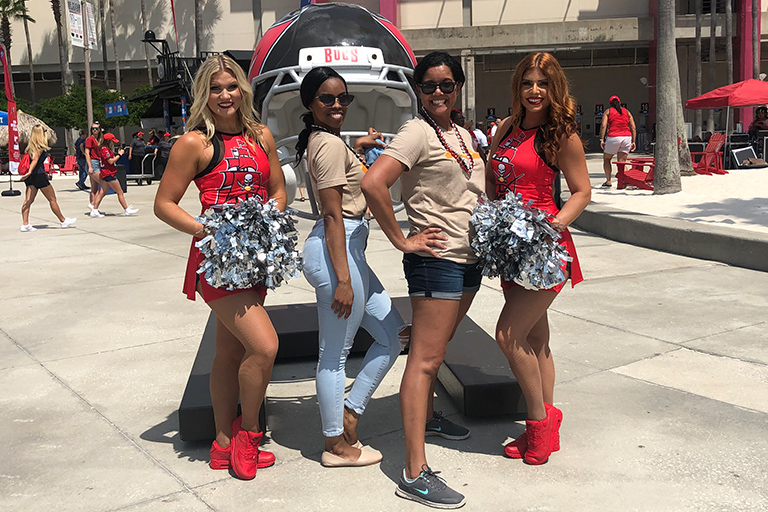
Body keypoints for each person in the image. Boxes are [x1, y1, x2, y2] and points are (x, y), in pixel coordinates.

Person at [154, 54, 286, 480]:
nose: (225, 95)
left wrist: (268, 219)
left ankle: (222, 444)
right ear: (203, 95)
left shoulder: (261, 136)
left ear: (243, 90)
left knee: (229, 354)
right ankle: (248, 434)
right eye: (215, 89)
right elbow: (164, 204)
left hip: (255, 261)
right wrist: (207, 231)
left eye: (231, 86)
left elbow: (278, 189)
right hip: (217, 262)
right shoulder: (194, 143)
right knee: (265, 347)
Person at [362, 51, 484, 509]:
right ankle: (415, 472)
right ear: (418, 88)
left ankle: (429, 417)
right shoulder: (415, 131)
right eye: (429, 85)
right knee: (426, 361)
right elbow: (376, 183)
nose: (437, 92)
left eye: (446, 85)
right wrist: (401, 240)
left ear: (458, 88)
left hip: (468, 257)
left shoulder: (461, 132)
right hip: (438, 258)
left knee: (436, 350)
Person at [295, 66, 405, 468]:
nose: (338, 104)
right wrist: (343, 278)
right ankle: (335, 445)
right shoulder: (324, 144)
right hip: (334, 253)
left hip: (348, 251)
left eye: (344, 97)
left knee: (393, 336)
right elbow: (332, 215)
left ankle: (350, 414)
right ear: (310, 103)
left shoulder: (331, 140)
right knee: (334, 357)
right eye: (328, 98)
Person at [486, 52, 590, 465]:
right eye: (528, 82)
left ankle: (537, 426)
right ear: (518, 86)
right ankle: (550, 418)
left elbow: (582, 191)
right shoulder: (506, 128)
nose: (534, 91)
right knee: (536, 341)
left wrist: (552, 225)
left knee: (508, 335)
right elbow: (494, 177)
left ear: (554, 88)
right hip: (511, 247)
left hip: (545, 250)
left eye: (543, 84)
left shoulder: (562, 133)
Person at [19, 125, 77, 231]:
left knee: (28, 200)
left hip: (31, 177)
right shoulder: (39, 147)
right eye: (44, 131)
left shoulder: (30, 146)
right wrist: (30, 171)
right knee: (52, 199)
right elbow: (35, 160)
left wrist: (28, 173)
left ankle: (25, 224)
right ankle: (63, 220)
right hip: (39, 175)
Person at [89, 133, 139, 218]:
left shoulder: (106, 149)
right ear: (109, 141)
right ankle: (126, 209)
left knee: (102, 192)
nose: (113, 143)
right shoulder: (105, 150)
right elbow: (110, 161)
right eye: (112, 141)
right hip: (109, 174)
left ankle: (94, 209)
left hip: (106, 173)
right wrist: (119, 155)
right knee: (120, 192)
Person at [599, 95, 636, 188]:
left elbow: (603, 126)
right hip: (627, 137)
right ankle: (624, 180)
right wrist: (634, 141)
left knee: (607, 159)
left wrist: (601, 139)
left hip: (613, 137)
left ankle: (608, 181)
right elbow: (633, 127)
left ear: (610, 104)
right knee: (622, 161)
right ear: (620, 102)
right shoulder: (627, 112)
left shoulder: (608, 112)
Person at [85, 122, 106, 209]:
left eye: (96, 128)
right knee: (104, 184)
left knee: (94, 187)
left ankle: (93, 207)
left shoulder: (99, 139)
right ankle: (93, 204)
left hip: (97, 162)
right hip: (93, 163)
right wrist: (90, 166)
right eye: (93, 128)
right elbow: (87, 153)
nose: (94, 130)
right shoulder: (90, 139)